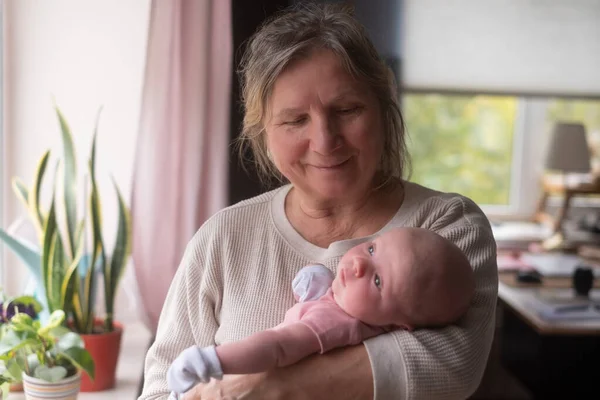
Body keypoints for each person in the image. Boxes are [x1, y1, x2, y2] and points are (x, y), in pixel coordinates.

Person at [138, 3, 498, 400]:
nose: (325, 141)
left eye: (346, 110)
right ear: (264, 132)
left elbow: (450, 367)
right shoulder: (223, 237)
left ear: (383, 107)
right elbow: (160, 388)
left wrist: (261, 385)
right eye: (295, 120)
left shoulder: (449, 224)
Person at [167, 227, 475, 397]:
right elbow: (333, 305)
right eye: (372, 249)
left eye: (378, 281)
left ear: (399, 324)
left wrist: (211, 361)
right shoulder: (359, 316)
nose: (358, 265)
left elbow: (277, 347)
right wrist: (321, 282)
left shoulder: (333, 325)